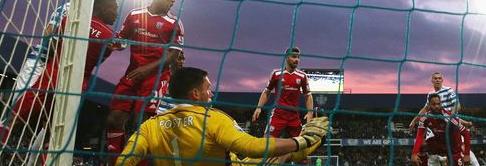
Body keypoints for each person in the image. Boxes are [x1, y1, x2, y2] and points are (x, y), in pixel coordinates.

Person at [0, 0, 121, 166]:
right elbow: (99, 56)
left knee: (19, 122)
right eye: (114, 8)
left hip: (53, 73)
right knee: (51, 132)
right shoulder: (105, 34)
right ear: (100, 7)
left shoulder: (70, 20)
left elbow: (54, 39)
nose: (116, 13)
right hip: (66, 80)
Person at [116, 67, 328, 165]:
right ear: (195, 94)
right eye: (208, 89)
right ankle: (313, 139)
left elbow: (124, 161)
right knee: (284, 153)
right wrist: (300, 140)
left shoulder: (150, 126)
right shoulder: (213, 119)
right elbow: (252, 147)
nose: (212, 93)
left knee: (285, 153)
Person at [106, 0, 184, 164]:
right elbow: (122, 40)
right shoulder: (134, 15)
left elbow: (173, 56)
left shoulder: (174, 23)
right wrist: (111, 43)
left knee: (142, 124)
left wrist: (146, 69)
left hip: (156, 78)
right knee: (114, 118)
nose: (173, 0)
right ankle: (115, 161)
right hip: (132, 75)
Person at [410, 72, 479, 166]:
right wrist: (414, 121)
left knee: (461, 148)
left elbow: (457, 105)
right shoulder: (430, 95)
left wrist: (449, 117)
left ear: (442, 80)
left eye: (439, 78)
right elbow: (425, 108)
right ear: (432, 80)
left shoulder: (449, 90)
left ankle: (468, 159)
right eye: (435, 78)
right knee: (423, 145)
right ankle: (440, 159)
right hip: (436, 125)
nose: (437, 80)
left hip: (450, 125)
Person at [252, 47, 313, 138]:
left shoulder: (302, 76)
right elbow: (267, 91)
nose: (296, 60)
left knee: (301, 146)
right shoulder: (276, 74)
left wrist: (310, 113)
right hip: (278, 115)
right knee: (266, 143)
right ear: (286, 58)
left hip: (294, 116)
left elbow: (308, 95)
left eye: (298, 57)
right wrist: (259, 107)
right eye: (293, 57)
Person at [411, 94, 471, 166]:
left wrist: (467, 154)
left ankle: (448, 159)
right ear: (429, 105)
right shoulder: (424, 118)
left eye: (438, 104)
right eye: (433, 104)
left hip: (454, 147)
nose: (436, 106)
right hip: (439, 143)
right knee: (422, 145)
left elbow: (466, 133)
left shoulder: (449, 117)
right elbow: (420, 136)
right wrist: (414, 153)